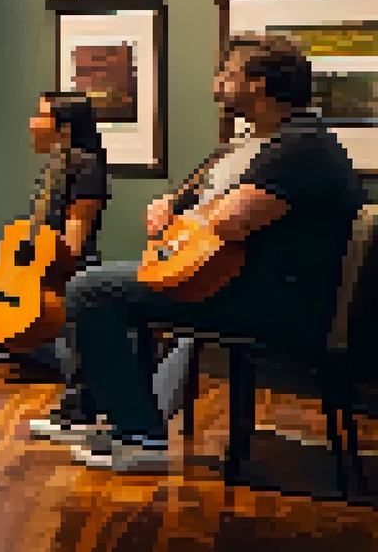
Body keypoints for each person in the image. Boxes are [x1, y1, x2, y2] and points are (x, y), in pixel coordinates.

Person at [50, 33, 364, 473]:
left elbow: (230, 222)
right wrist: (176, 207)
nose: (217, 85)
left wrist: (199, 214)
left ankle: (140, 437)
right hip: (247, 287)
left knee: (90, 289)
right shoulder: (264, 142)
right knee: (114, 287)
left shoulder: (301, 146)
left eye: (227, 75)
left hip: (277, 305)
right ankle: (122, 418)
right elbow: (188, 206)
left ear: (257, 84)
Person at [0, 93, 110, 373]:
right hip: (39, 271)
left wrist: (39, 252)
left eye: (40, 115)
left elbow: (74, 245)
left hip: (62, 277)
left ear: (64, 128)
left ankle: (8, 348)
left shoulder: (87, 168)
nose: (31, 123)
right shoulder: (55, 165)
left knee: (60, 350)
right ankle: (3, 344)